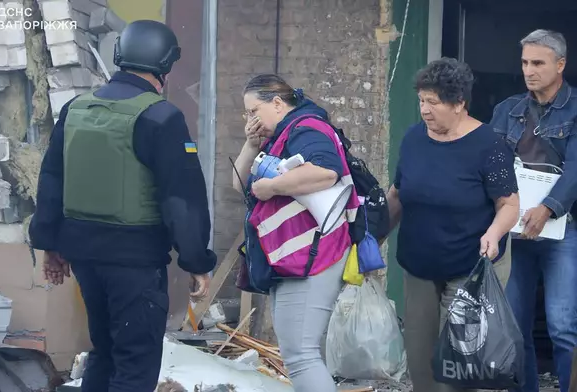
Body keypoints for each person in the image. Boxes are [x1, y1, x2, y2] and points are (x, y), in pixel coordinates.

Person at [28, 20, 217, 392]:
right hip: (134, 263)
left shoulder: (76, 109)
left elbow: (51, 181)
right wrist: (196, 260)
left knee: (106, 351)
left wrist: (50, 245)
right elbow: (182, 197)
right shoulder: (162, 117)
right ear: (165, 65)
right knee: (135, 362)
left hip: (83, 258)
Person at [384, 58, 520, 392]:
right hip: (419, 265)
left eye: (433, 102)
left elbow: (509, 204)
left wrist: (494, 232)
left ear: (459, 103)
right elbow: (398, 194)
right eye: (421, 100)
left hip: (469, 267)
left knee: (457, 366)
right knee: (420, 360)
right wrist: (371, 238)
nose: (424, 110)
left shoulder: (489, 145)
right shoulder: (414, 138)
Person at [231, 74, 359, 392]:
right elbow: (240, 185)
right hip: (294, 256)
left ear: (277, 103)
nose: (250, 119)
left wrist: (273, 185)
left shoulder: (307, 128)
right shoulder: (283, 135)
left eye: (253, 111)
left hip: (312, 255)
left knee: (300, 356)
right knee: (301, 353)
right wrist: (250, 144)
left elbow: (327, 171)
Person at [490, 29, 577, 392]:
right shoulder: (506, 110)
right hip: (514, 230)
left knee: (563, 325)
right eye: (525, 62)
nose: (529, 70)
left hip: (563, 230)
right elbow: (491, 164)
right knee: (514, 324)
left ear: (560, 64)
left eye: (538, 62)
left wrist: (549, 207)